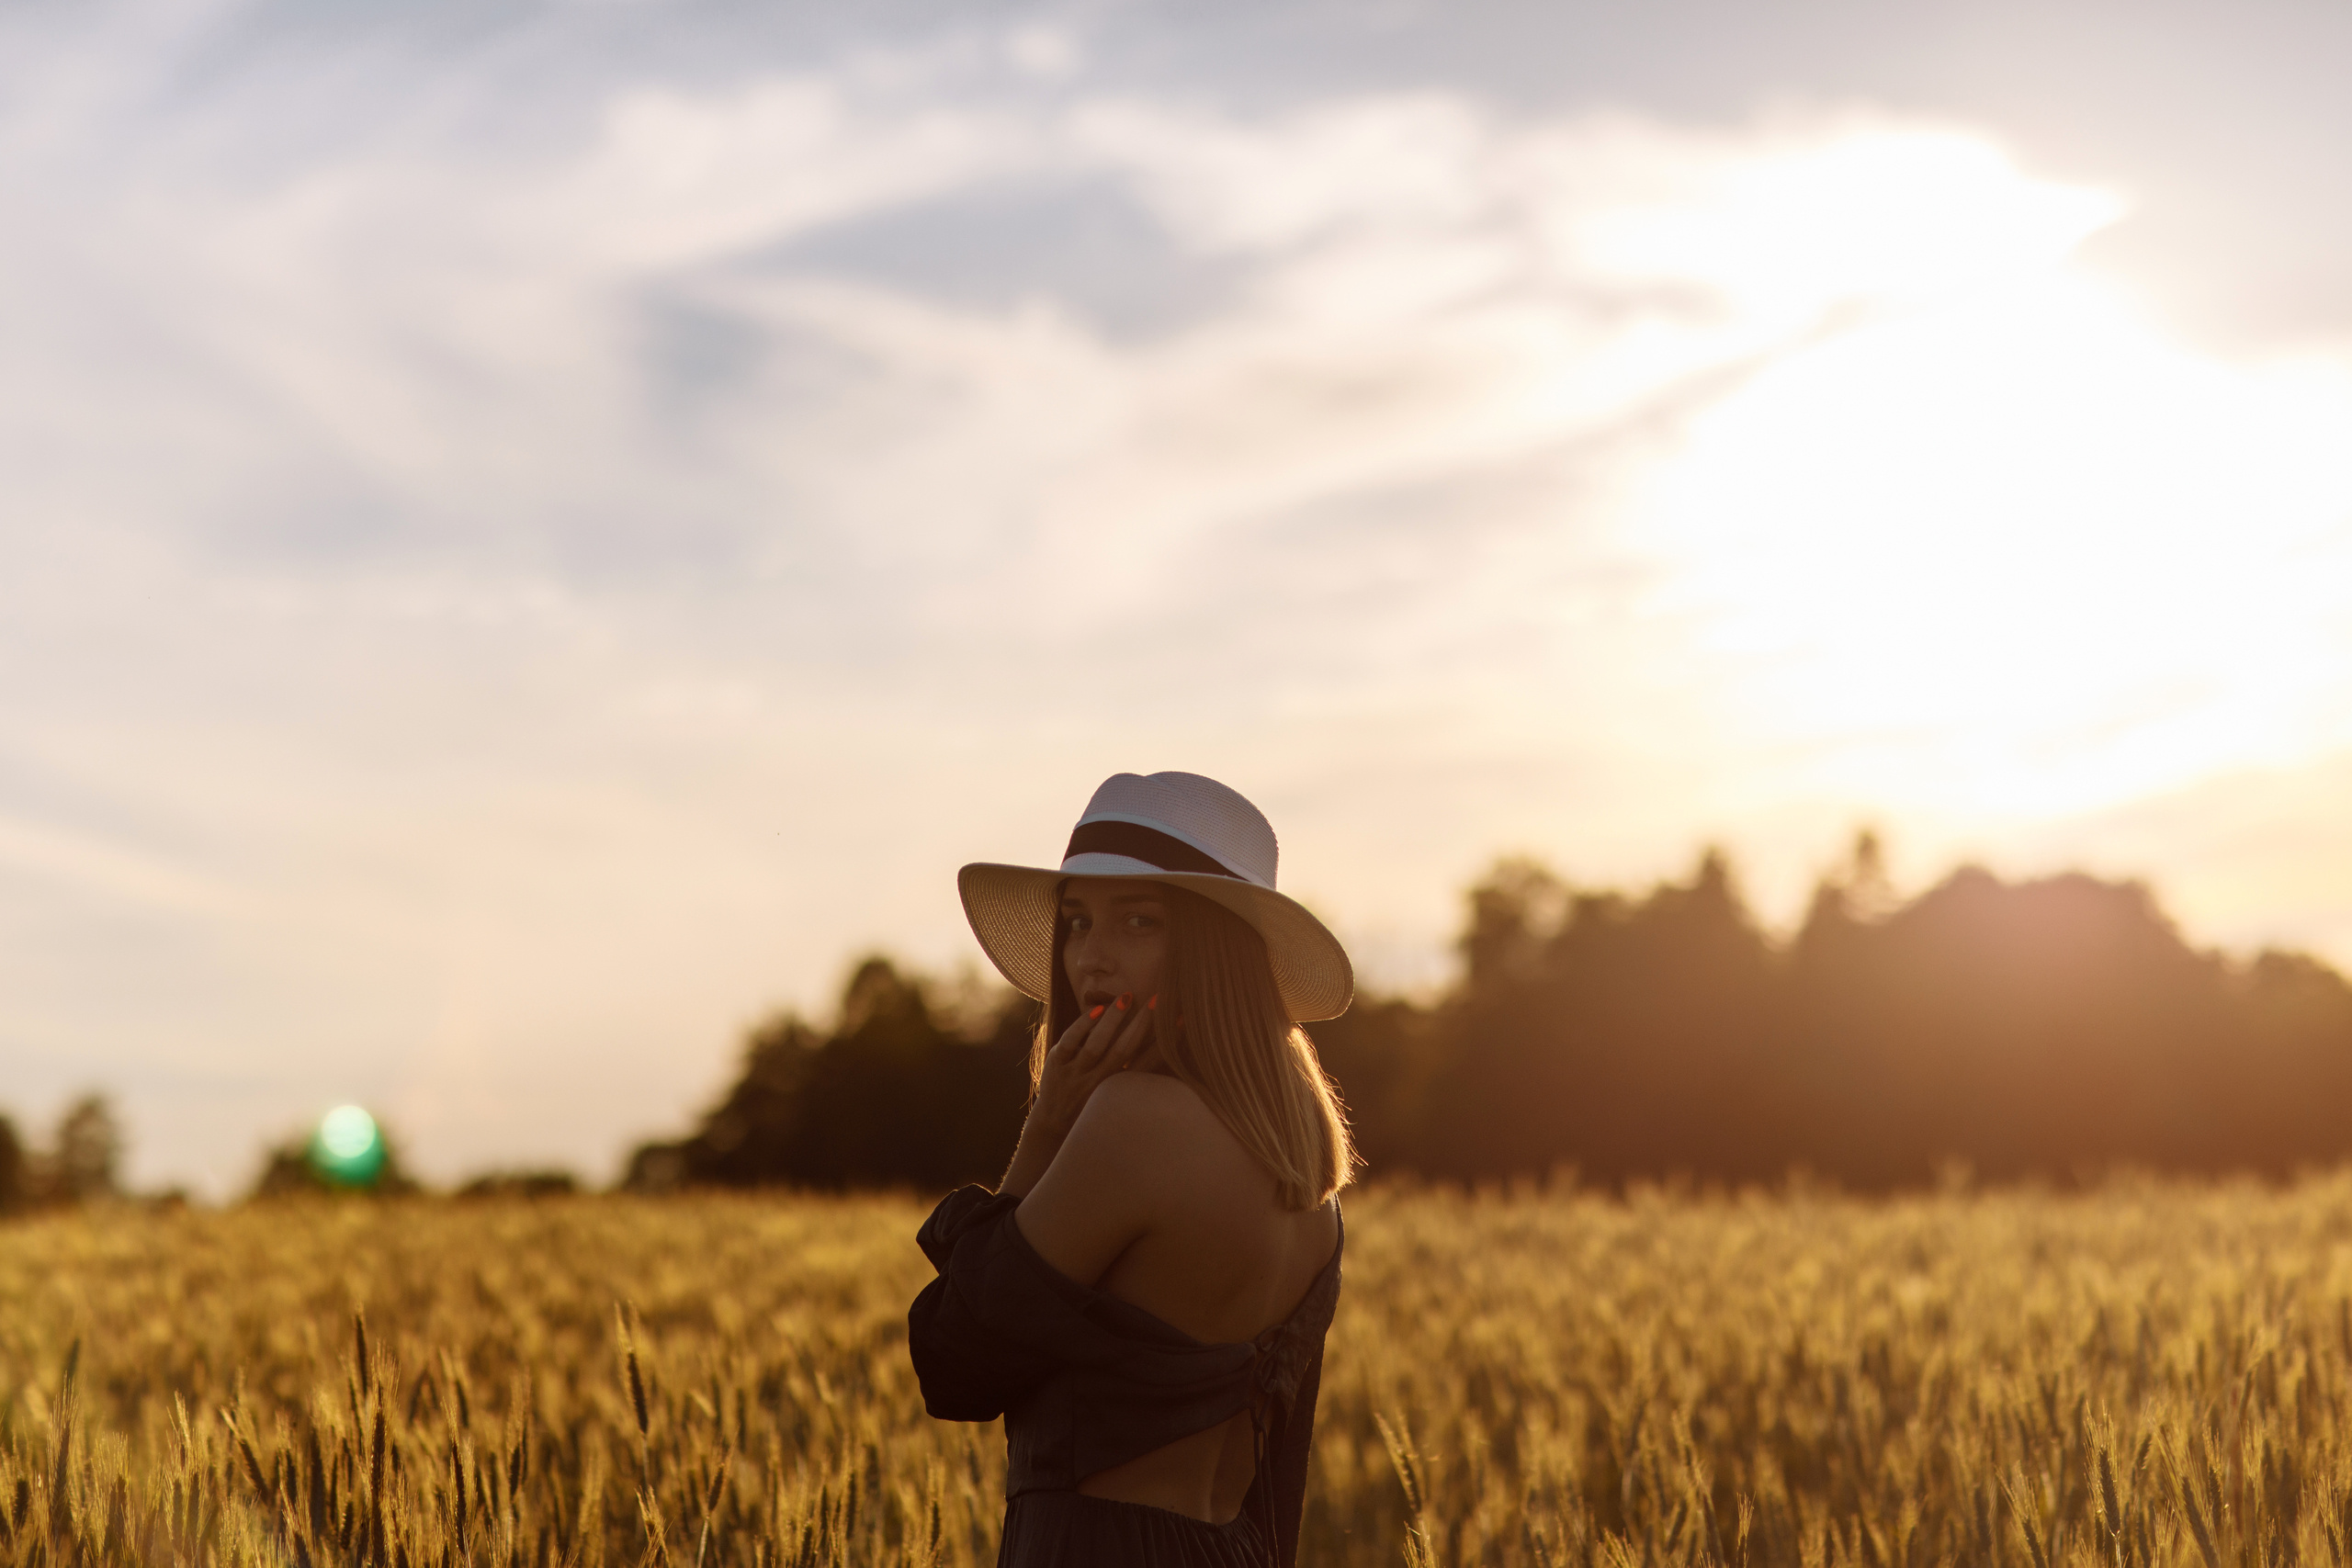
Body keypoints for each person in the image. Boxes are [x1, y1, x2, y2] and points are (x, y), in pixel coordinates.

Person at [909, 771, 1359, 1568]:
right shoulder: (1311, 1189)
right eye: (1078, 921)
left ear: (1216, 951)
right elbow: (1280, 1483)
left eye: (1140, 921)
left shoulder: (1131, 1127)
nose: (1092, 958)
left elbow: (955, 1361)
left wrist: (1045, 1126)